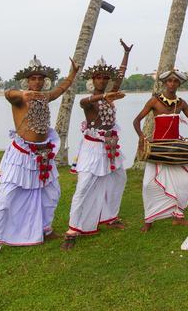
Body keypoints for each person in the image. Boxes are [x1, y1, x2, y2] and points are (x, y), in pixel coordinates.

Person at [0, 55, 79, 260]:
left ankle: (45, 229)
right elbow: (8, 94)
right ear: (27, 81)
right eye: (33, 78)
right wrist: (23, 93)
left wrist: (72, 74)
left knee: (52, 193)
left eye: (41, 79)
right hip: (21, 156)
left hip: (43, 155)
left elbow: (61, 90)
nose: (38, 82)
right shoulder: (20, 97)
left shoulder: (45, 97)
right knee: (6, 198)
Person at [61, 39, 131, 249]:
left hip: (110, 147)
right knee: (83, 188)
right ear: (93, 81)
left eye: (105, 78)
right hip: (92, 149)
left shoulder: (109, 97)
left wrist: (126, 54)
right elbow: (84, 103)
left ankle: (109, 216)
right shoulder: (88, 101)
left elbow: (119, 77)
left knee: (119, 179)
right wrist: (103, 95)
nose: (102, 80)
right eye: (98, 77)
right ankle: (72, 231)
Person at [134, 69, 188, 228]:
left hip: (175, 149)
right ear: (165, 83)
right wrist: (141, 136)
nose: (172, 84)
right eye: (169, 81)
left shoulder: (181, 103)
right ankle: (149, 220)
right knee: (149, 185)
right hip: (157, 149)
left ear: (179, 84)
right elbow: (136, 120)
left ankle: (178, 215)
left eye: (175, 81)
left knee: (186, 181)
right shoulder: (154, 101)